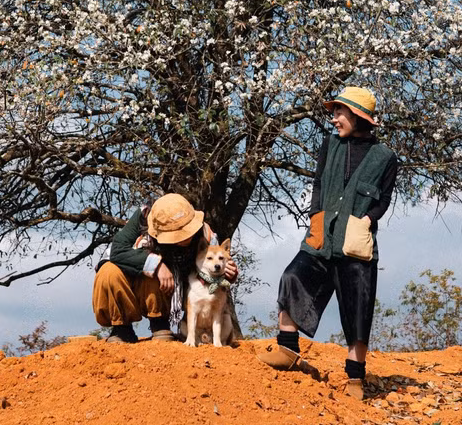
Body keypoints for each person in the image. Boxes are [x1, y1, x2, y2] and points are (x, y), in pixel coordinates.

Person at [259, 86, 398, 399]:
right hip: (322, 236)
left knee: (357, 307)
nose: (334, 118)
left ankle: (355, 379)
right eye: (334, 112)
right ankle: (287, 349)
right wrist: (315, 220)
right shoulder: (329, 145)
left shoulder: (386, 158)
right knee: (293, 276)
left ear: (358, 116)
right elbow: (319, 184)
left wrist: (367, 220)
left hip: (356, 244)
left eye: (339, 112)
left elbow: (384, 199)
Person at [91, 192, 239, 343]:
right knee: (108, 272)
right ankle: (121, 329)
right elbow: (118, 251)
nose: (186, 236)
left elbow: (215, 267)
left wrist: (228, 273)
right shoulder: (143, 219)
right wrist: (156, 265)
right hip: (136, 282)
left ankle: (160, 324)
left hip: (182, 291)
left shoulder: (206, 234)